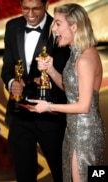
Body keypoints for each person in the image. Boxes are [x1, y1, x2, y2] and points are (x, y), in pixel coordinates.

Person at [27, 4, 106, 182]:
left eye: (58, 23)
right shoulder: (77, 54)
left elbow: (84, 106)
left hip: (84, 133)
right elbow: (70, 89)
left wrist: (47, 106)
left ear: (74, 26)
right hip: (74, 129)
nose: (54, 29)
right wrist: (51, 69)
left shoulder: (85, 59)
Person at [1, 0, 70, 181]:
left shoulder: (59, 27)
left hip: (51, 114)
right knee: (24, 175)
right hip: (19, 113)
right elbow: (7, 67)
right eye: (25, 8)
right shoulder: (12, 26)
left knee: (62, 172)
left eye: (36, 8)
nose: (30, 14)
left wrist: (47, 80)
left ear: (46, 5)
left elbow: (67, 73)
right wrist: (11, 83)